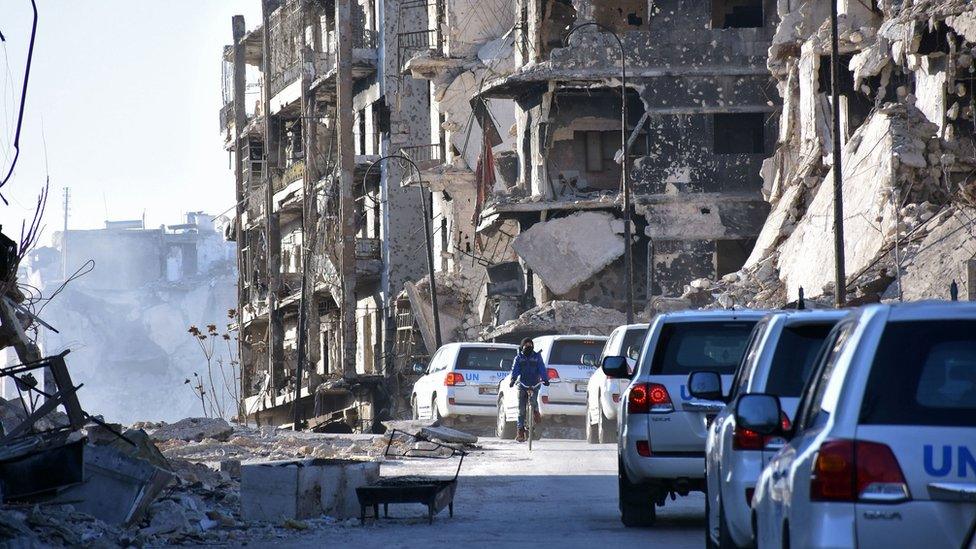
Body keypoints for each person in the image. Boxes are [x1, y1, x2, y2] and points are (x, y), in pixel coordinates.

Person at [509, 337, 549, 442]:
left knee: (533, 401)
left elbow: (542, 368)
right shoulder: (518, 358)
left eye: (530, 345)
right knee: (521, 410)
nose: (528, 347)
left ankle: (535, 412)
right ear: (522, 346)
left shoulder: (537, 357)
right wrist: (513, 379)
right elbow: (515, 369)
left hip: (535, 384)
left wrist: (545, 379)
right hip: (522, 384)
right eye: (526, 345)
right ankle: (520, 431)